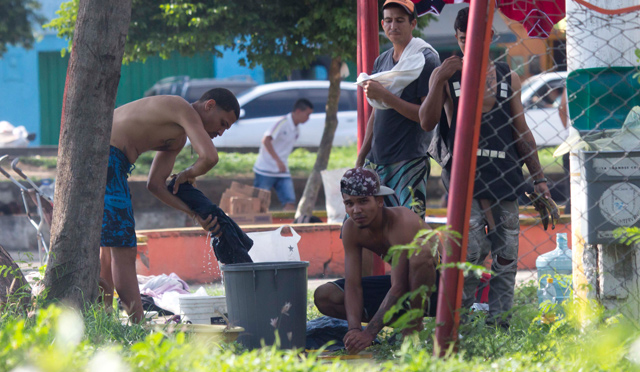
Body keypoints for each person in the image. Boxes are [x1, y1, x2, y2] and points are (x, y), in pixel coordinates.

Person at [419, 7, 555, 325]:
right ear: (457, 38)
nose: (470, 45)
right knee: (469, 249)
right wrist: (437, 77)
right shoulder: (449, 75)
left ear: (490, 37)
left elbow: (521, 131)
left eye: (476, 39)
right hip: (463, 175)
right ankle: (457, 323)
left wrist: (539, 180)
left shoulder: (509, 76)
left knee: (507, 252)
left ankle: (500, 323)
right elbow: (426, 122)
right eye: (464, 39)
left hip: (504, 174)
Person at [100, 88, 239, 323]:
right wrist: (188, 173)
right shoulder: (180, 107)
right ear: (209, 105)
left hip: (115, 165)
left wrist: (194, 213)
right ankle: (137, 326)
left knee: (108, 251)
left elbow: (155, 184)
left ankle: (102, 318)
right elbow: (209, 157)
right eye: (222, 123)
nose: (221, 132)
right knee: (123, 249)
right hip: (105, 157)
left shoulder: (178, 139)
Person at [314, 167, 438, 355]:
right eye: (349, 204)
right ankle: (402, 323)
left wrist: (370, 332)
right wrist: (354, 330)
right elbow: (353, 285)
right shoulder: (351, 228)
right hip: (402, 288)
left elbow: (399, 286)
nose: (356, 210)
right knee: (325, 295)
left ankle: (413, 324)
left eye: (363, 201)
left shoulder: (400, 221)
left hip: (438, 289)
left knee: (419, 253)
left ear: (379, 201)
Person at [356, 0, 440, 218]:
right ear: (383, 25)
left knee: (410, 230)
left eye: (400, 20)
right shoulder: (382, 61)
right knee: (365, 229)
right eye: (389, 20)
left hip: (409, 160)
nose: (394, 25)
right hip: (377, 160)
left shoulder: (425, 59)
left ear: (413, 24)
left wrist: (385, 96)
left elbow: (427, 117)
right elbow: (377, 112)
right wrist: (361, 157)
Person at [253, 99, 314, 211]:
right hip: (265, 168)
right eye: (307, 114)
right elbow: (266, 140)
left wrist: (281, 162)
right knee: (259, 203)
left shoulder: (296, 129)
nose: (308, 118)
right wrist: (278, 160)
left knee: (290, 202)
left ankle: (285, 226)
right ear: (299, 111)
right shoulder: (282, 123)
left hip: (282, 170)